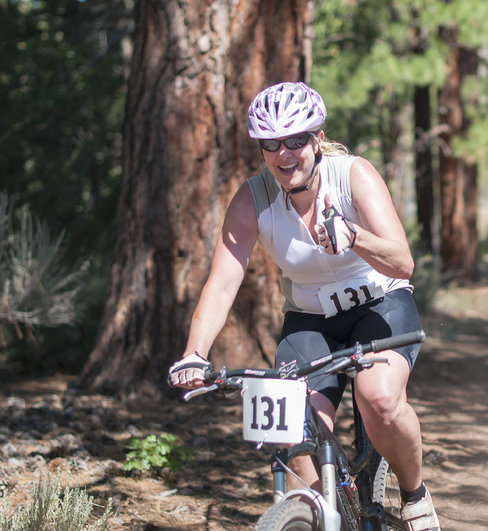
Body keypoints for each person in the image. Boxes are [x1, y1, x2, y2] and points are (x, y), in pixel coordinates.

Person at [167, 81, 440, 531]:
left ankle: (414, 495)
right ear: (261, 150)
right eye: (271, 143)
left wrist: (355, 237)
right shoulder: (252, 198)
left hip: (379, 306)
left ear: (316, 139)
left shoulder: (352, 174)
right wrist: (195, 353)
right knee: (293, 426)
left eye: (296, 140)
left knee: (380, 400)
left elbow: (403, 261)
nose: (285, 153)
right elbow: (221, 284)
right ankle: (320, 514)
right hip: (310, 322)